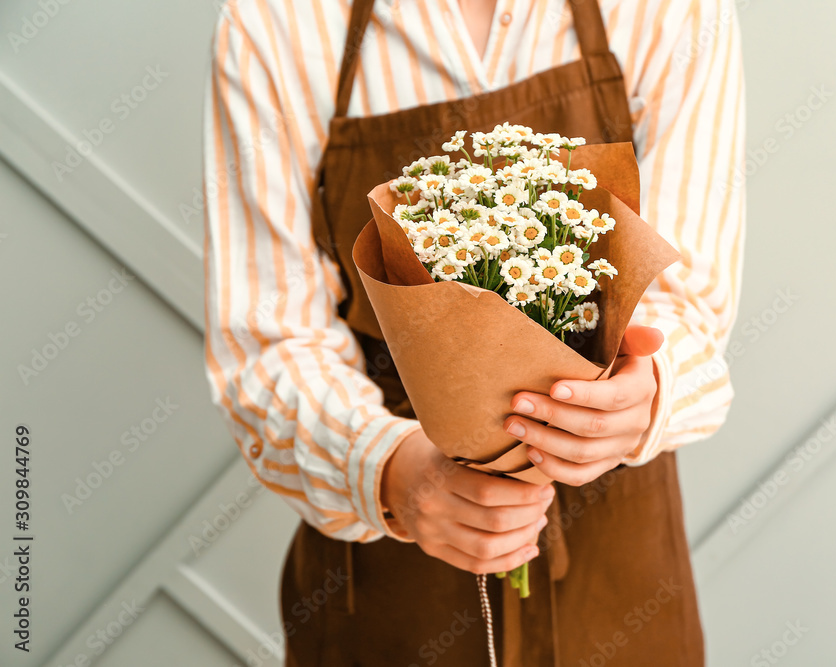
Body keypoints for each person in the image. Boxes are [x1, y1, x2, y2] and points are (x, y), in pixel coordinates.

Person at [202, 0, 744, 664]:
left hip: (619, 585)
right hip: (390, 596)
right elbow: (269, 344)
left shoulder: (672, 10)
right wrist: (392, 472)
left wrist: (644, 395)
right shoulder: (275, 24)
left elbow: (687, 300)